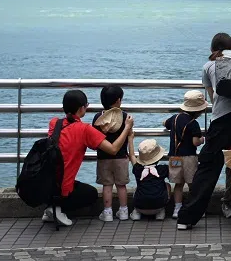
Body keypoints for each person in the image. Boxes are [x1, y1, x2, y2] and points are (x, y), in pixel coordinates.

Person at [177, 33, 231, 230]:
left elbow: (213, 97)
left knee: (207, 168)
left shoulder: (209, 65)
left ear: (212, 50)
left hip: (221, 119)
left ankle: (187, 218)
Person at [42, 89, 134, 227]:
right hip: (63, 186)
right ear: (81, 108)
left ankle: (52, 206)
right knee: (90, 194)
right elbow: (113, 149)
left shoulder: (54, 123)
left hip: (46, 183)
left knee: (99, 184)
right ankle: (57, 209)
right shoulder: (84, 129)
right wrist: (127, 129)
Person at [92, 85, 135, 222]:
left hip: (104, 158)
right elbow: (129, 134)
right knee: (122, 185)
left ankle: (108, 212)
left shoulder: (98, 117)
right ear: (118, 100)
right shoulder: (125, 117)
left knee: (107, 185)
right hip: (121, 157)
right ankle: (123, 211)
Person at [164, 90, 206, 219]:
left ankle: (177, 208)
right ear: (198, 111)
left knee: (178, 183)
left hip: (174, 157)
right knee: (192, 183)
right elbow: (195, 142)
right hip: (189, 158)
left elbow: (165, 123)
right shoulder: (194, 124)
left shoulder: (175, 118)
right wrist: (202, 139)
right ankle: (195, 207)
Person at [130, 139, 170, 220]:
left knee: (137, 188)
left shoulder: (137, 169)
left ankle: (136, 212)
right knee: (167, 185)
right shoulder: (163, 169)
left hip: (140, 206)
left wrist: (130, 138)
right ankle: (160, 212)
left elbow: (132, 156)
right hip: (159, 206)